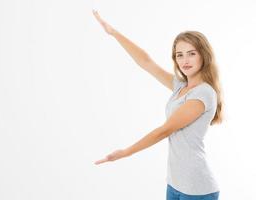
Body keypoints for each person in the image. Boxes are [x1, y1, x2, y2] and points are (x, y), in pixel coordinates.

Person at [92, 10, 223, 200]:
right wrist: (113, 32)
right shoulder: (181, 86)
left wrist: (125, 153)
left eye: (191, 54)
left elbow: (163, 131)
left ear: (204, 55)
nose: (184, 60)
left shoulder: (203, 93)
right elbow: (146, 62)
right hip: (175, 183)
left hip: (197, 189)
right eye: (179, 55)